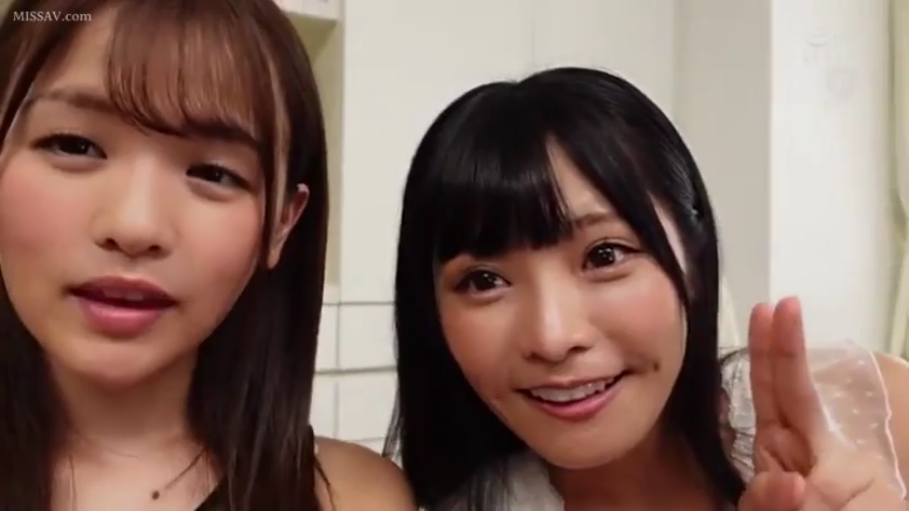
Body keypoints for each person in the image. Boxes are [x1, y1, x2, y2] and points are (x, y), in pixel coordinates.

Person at [385, 66, 909, 510]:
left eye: (605, 255)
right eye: (484, 281)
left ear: (694, 258)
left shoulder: (872, 411)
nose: (552, 337)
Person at [0, 0, 414, 510]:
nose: (135, 226)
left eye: (214, 174)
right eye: (74, 145)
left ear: (283, 223)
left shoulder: (352, 499)